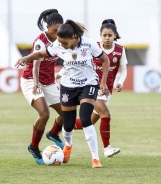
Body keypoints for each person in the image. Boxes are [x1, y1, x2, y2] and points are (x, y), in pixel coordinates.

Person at [16, 19, 110, 168]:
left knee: (86, 119)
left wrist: (103, 82)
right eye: (60, 43)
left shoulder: (89, 43)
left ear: (73, 37)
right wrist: (26, 58)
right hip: (68, 86)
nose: (62, 46)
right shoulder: (58, 44)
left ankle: (95, 158)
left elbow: (105, 60)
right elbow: (40, 54)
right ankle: (67, 145)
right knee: (68, 123)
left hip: (88, 84)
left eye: (64, 43)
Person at [72, 19, 128, 157]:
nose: (107, 38)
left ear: (115, 35)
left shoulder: (120, 50)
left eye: (110, 35)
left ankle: (62, 126)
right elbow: (78, 61)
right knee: (106, 114)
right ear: (100, 35)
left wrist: (120, 82)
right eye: (104, 35)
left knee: (88, 121)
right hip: (91, 86)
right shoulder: (93, 47)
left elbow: (124, 70)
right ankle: (107, 148)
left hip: (107, 91)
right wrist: (61, 73)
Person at [19, 9, 64, 165]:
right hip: (32, 80)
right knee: (44, 114)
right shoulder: (40, 41)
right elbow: (36, 64)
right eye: (54, 30)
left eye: (59, 30)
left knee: (67, 112)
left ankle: (53, 134)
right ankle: (34, 147)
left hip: (49, 82)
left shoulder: (61, 39)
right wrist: (36, 84)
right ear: (47, 26)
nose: (56, 33)